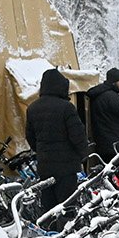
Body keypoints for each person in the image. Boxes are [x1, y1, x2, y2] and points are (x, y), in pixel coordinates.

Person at [25, 67, 88, 213]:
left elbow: (30, 136)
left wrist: (41, 151)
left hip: (45, 166)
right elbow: (77, 135)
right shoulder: (67, 108)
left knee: (49, 207)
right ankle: (67, 233)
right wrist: (82, 155)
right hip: (67, 167)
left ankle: (51, 233)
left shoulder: (32, 108)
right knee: (67, 206)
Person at [86, 67, 119, 164]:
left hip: (107, 145)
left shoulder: (101, 95)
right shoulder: (109, 96)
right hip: (116, 146)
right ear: (114, 82)